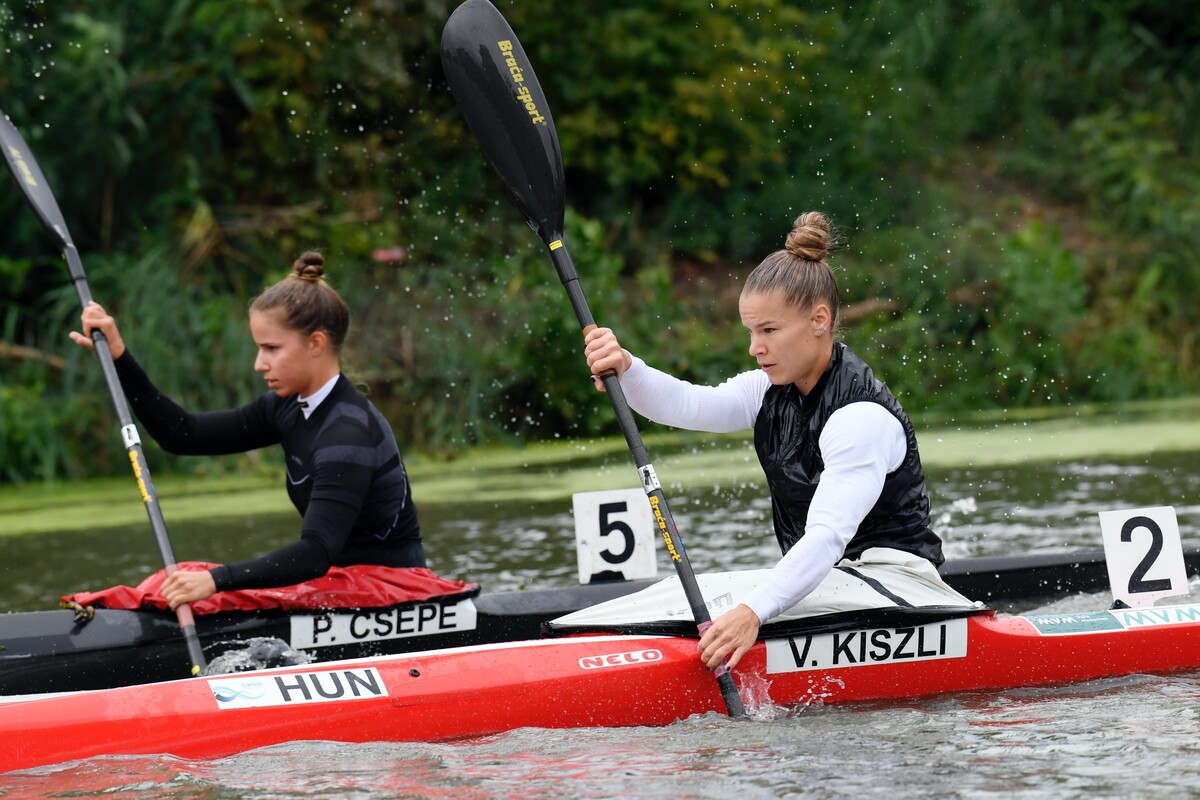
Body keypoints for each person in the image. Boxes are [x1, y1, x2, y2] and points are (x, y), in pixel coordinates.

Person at [584, 211, 966, 672]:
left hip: (902, 591)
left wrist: (753, 612)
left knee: (726, 602)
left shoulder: (860, 418)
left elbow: (826, 536)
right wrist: (627, 367)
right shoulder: (767, 391)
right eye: (751, 331)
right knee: (691, 594)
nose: (755, 347)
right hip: (832, 584)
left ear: (819, 320)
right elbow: (687, 405)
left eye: (769, 331)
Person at [70, 251, 425, 610]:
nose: (259, 364)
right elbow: (183, 434)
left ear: (316, 344)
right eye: (259, 348)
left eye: (271, 348)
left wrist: (215, 580)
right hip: (336, 585)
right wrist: (120, 359)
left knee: (201, 581)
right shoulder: (286, 407)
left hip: (394, 592)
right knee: (173, 580)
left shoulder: (348, 433)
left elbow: (315, 553)